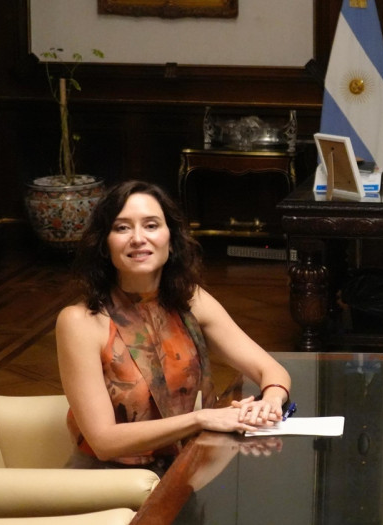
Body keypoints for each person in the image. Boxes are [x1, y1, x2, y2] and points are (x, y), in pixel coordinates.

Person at [57, 180, 292, 471]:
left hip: (179, 469)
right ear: (104, 243)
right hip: (107, 482)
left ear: (171, 237)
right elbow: (104, 442)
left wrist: (269, 401)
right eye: (122, 228)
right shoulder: (80, 321)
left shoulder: (190, 301)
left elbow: (270, 369)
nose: (138, 238)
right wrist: (200, 418)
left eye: (151, 225)